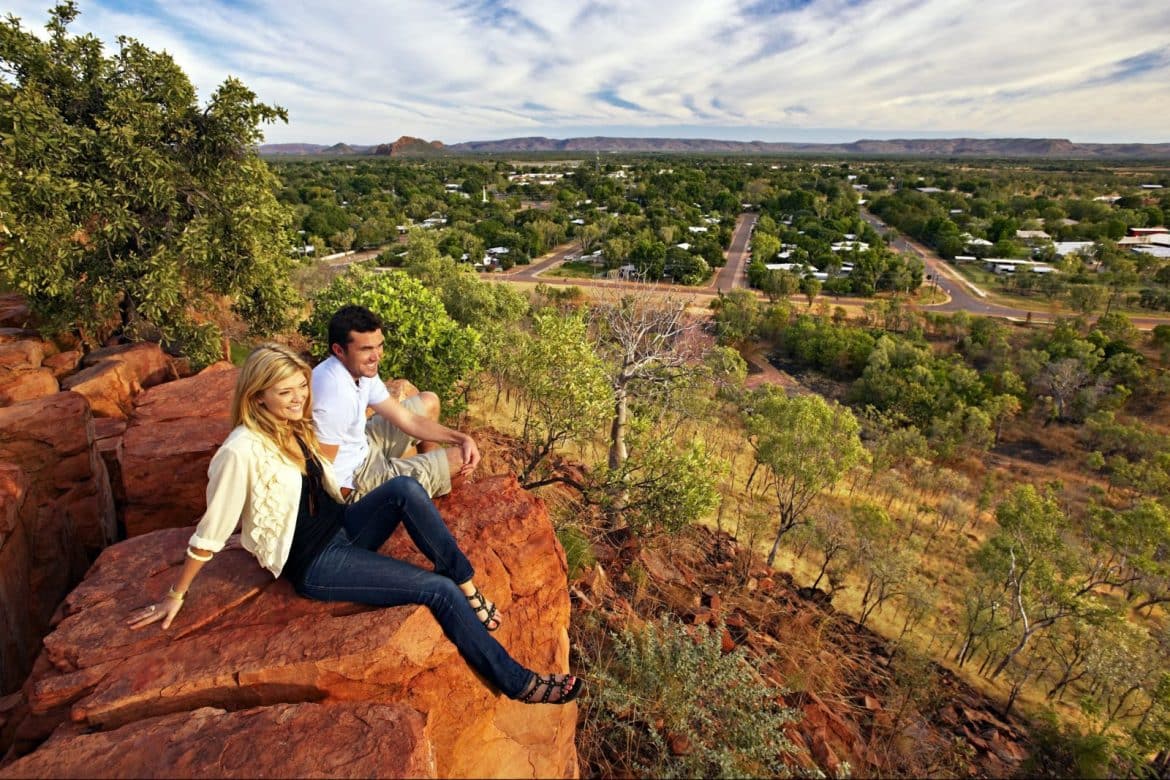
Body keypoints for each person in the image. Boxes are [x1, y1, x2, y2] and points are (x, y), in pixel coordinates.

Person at [125, 344, 582, 705]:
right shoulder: (239, 450)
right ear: (256, 394)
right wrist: (176, 595)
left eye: (300, 388)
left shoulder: (290, 426)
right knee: (432, 591)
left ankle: (465, 581)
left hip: (344, 526)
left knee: (405, 491)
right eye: (284, 393)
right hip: (317, 562)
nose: (298, 399)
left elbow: (329, 469)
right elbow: (212, 528)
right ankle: (517, 681)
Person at [311, 305, 477, 505]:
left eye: (379, 345)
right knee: (462, 460)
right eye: (366, 349)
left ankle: (430, 470)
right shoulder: (334, 394)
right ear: (339, 350)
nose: (377, 356)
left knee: (429, 402)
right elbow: (324, 471)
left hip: (363, 444)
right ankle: (424, 490)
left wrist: (462, 437)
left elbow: (407, 419)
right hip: (357, 480)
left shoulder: (359, 370)